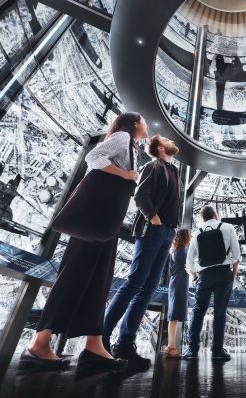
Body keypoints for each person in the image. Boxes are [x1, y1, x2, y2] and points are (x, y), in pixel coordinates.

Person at [22, 112, 148, 372]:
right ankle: (39, 344)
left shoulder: (133, 147)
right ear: (135, 124)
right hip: (95, 221)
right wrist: (124, 176)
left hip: (106, 222)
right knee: (75, 274)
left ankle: (94, 345)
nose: (147, 125)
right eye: (144, 121)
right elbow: (93, 157)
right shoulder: (123, 137)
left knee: (99, 281)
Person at [103, 135, 180, 370]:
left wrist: (172, 228)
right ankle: (100, 338)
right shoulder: (152, 166)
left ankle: (125, 343)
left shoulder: (173, 171)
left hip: (166, 233)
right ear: (159, 147)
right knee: (135, 283)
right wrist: (154, 219)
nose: (170, 140)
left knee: (147, 289)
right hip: (152, 230)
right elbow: (140, 195)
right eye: (165, 139)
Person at [182, 206, 241, 361]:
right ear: (216, 215)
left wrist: (195, 276)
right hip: (223, 274)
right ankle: (217, 350)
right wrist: (232, 275)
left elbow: (189, 261)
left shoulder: (197, 232)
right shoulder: (228, 227)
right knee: (220, 312)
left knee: (198, 311)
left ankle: (192, 350)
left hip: (204, 276)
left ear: (202, 218)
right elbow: (236, 255)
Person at [166, 228, 192, 358]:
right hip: (178, 286)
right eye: (190, 235)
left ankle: (170, 346)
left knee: (174, 317)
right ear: (186, 237)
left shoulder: (177, 250)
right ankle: (171, 347)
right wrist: (195, 275)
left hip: (177, 284)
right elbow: (189, 266)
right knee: (174, 317)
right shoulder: (182, 251)